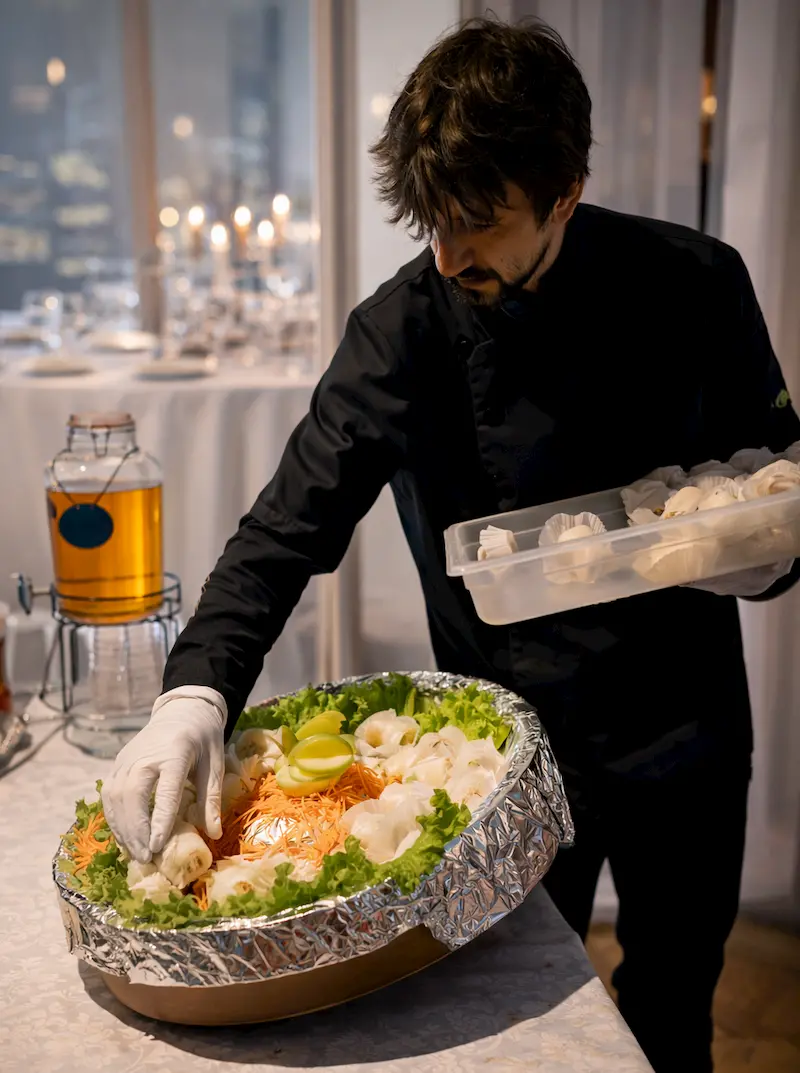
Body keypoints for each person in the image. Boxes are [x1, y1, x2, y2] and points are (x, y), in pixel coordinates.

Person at [102, 18, 800, 1073]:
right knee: (515, 1022)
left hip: (679, 727)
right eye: (430, 219)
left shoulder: (695, 283)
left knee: (671, 1008)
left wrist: (763, 544)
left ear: (562, 191)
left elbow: (775, 473)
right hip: (508, 749)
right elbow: (280, 533)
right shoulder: (403, 332)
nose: (446, 252)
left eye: (477, 221)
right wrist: (192, 693)